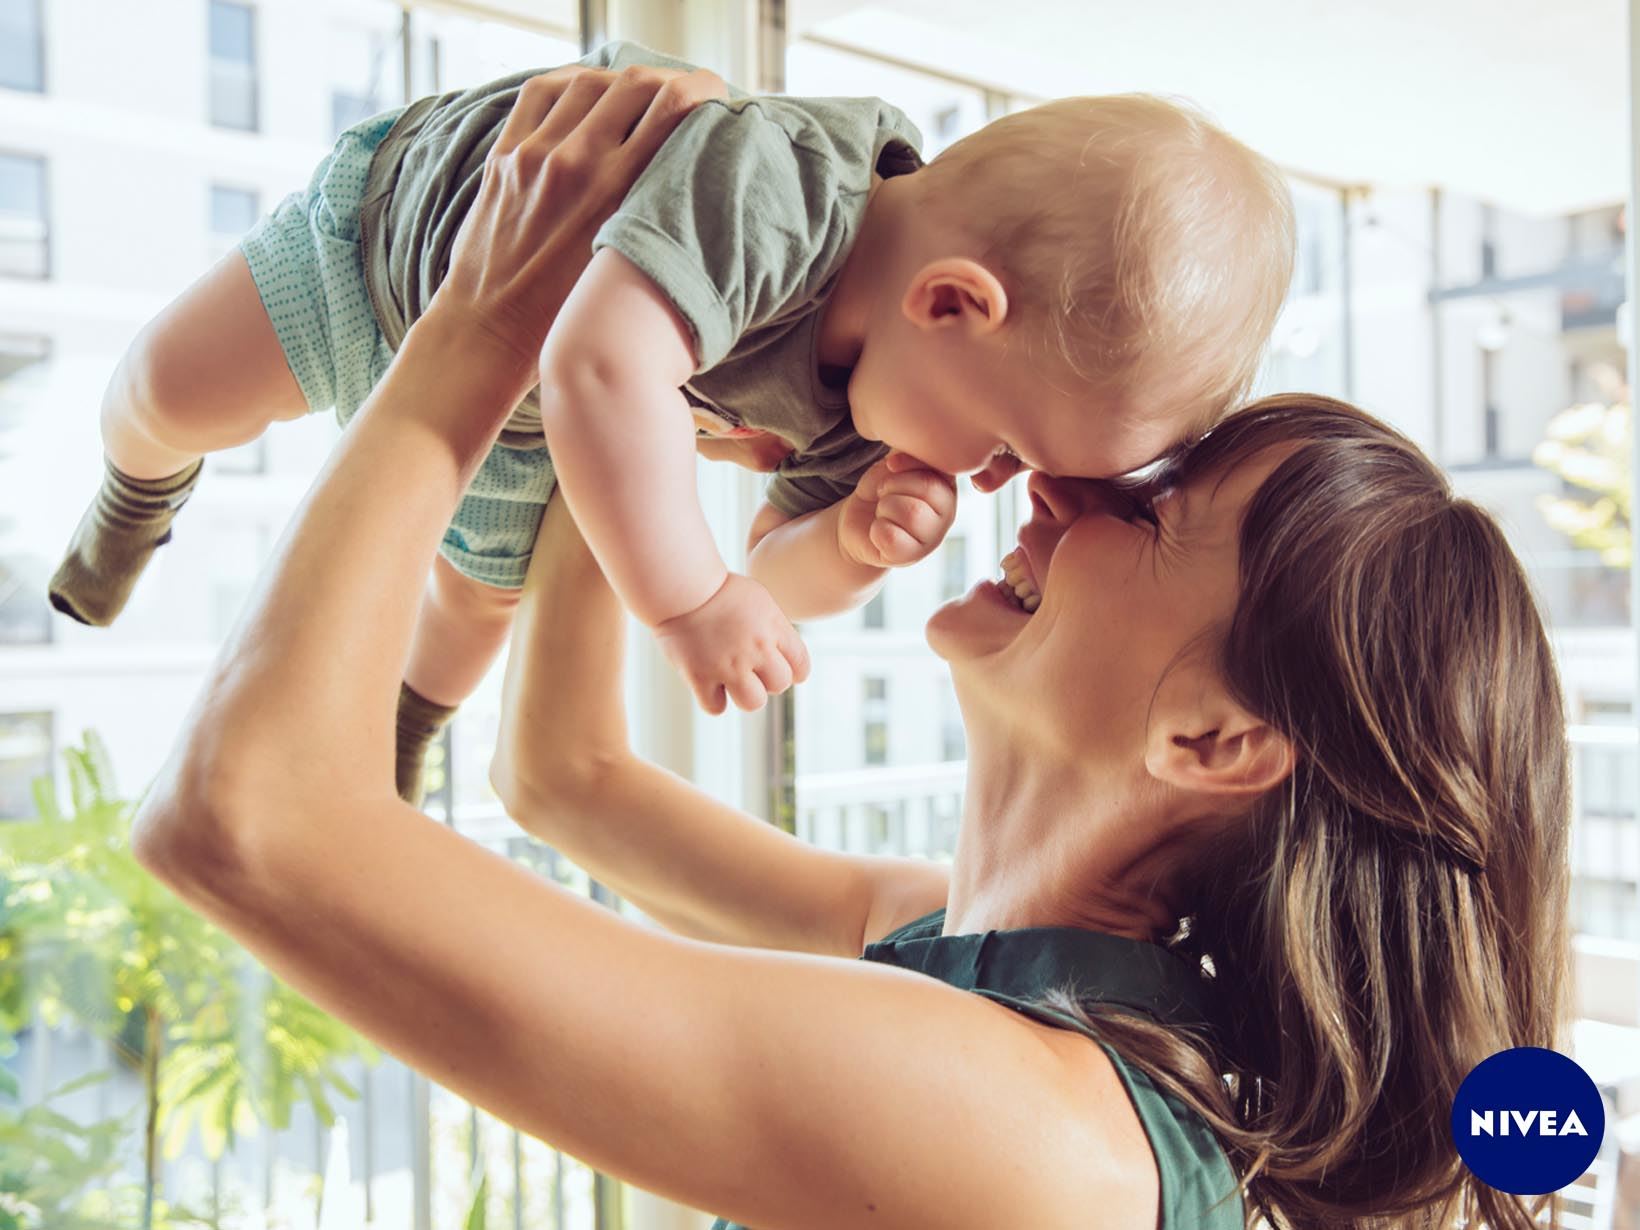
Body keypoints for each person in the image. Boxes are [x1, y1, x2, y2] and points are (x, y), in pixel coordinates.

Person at [131, 72, 1570, 1230]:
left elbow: (244, 820)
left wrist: (480, 320)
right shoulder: (988, 963)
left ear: (1211, 738)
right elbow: (565, 775)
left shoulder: (1032, 1126)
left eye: (1152, 509)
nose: (1046, 492)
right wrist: (644, 322)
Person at [49, 38, 1296, 806]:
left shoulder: (884, 406)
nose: (982, 483)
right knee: (168, 389)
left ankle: (405, 726)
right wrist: (687, 604)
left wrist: (848, 549)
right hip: (393, 254)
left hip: (519, 416)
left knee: (480, 600)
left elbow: (767, 568)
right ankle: (135, 493)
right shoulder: (783, 187)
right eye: (1007, 446)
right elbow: (602, 363)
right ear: (954, 303)